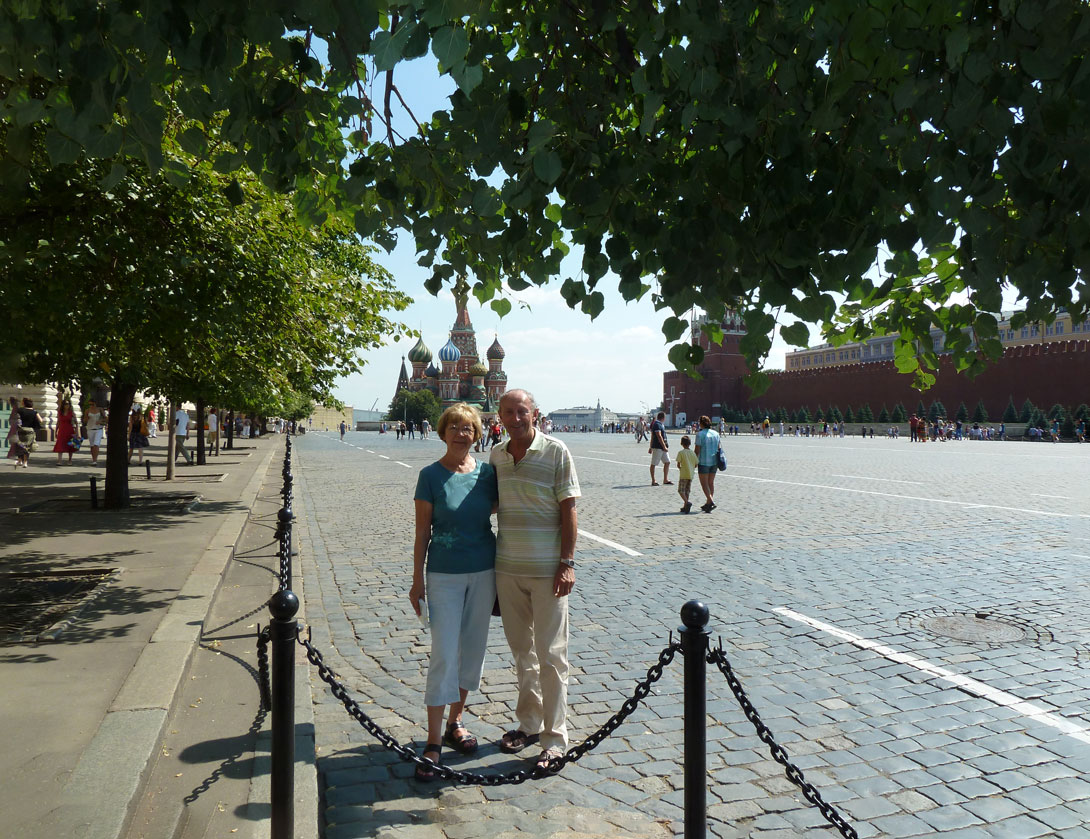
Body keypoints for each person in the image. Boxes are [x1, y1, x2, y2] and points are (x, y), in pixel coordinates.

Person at [490, 389, 580, 771]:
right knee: (522, 652)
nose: (515, 418)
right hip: (507, 568)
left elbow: (569, 508)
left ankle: (554, 738)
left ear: (535, 414)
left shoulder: (557, 451)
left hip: (548, 572)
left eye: (522, 411)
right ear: (500, 416)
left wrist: (567, 563)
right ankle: (529, 723)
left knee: (552, 654)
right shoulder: (496, 455)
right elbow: (489, 503)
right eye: (508, 412)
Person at [410, 403, 498, 781]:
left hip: (484, 572)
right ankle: (433, 740)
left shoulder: (487, 474)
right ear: (443, 432)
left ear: (477, 434)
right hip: (444, 574)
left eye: (468, 428)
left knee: (472, 649)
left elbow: (510, 508)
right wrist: (417, 580)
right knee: (444, 653)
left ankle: (455, 722)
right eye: (455, 428)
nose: (462, 434)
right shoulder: (430, 476)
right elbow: (422, 533)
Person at [693, 415, 721, 513]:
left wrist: (694, 461)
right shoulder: (716, 434)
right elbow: (719, 447)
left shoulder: (700, 434)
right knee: (710, 483)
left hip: (704, 462)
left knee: (704, 484)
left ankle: (711, 501)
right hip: (714, 461)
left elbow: (697, 450)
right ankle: (708, 503)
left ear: (701, 423)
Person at [675, 435, 698, 513]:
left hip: (683, 474)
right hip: (691, 474)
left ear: (681, 443)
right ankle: (685, 507)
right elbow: (696, 464)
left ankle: (687, 502)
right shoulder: (693, 453)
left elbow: (678, 464)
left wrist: (681, 468)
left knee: (681, 490)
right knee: (687, 491)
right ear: (690, 443)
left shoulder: (681, 453)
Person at [648, 411, 672, 486]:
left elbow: (652, 436)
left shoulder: (660, 424)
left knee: (667, 462)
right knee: (654, 463)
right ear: (663, 418)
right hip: (658, 447)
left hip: (662, 447)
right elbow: (658, 436)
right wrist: (663, 446)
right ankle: (653, 480)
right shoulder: (657, 424)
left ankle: (665, 479)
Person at [17, 398, 43, 465]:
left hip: (21, 430)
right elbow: (41, 420)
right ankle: (25, 462)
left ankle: (19, 460)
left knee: (20, 445)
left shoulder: (20, 410)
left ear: (24, 403)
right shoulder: (34, 412)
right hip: (30, 431)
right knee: (27, 447)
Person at [53, 397, 78, 464]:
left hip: (70, 430)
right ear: (63, 405)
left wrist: (77, 432)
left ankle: (70, 460)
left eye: (68, 404)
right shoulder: (60, 413)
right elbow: (58, 422)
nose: (67, 405)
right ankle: (59, 460)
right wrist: (56, 431)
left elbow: (76, 423)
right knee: (60, 444)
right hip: (62, 430)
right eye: (66, 404)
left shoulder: (72, 413)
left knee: (70, 445)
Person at [6, 396, 29, 468]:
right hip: (16, 428)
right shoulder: (16, 408)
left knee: (20, 445)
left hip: (17, 429)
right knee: (18, 444)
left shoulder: (16, 409)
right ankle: (21, 460)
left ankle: (23, 461)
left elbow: (16, 419)